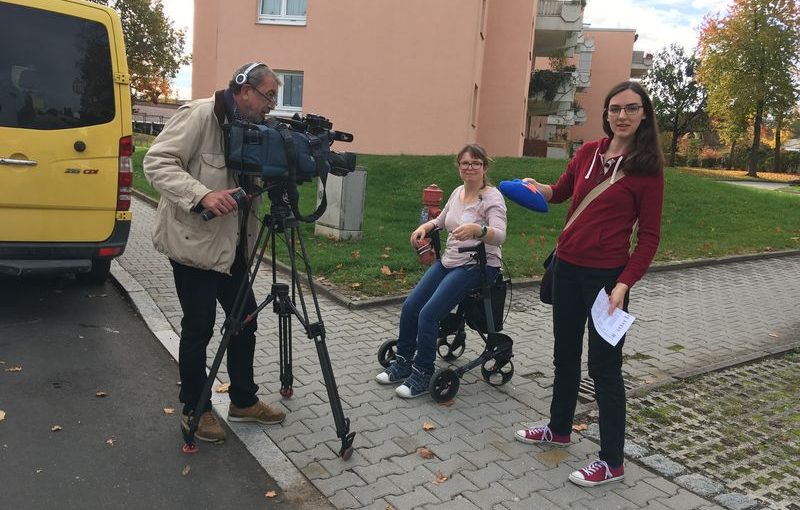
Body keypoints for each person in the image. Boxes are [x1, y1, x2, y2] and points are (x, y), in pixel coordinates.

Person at [514, 81, 665, 486]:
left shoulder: (647, 170)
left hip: (606, 283)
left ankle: (612, 461)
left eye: (632, 109)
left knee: (604, 370)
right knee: (564, 356)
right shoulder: (588, 152)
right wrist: (537, 188)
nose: (622, 115)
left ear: (644, 114)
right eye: (615, 108)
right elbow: (561, 192)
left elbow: (649, 237)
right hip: (566, 270)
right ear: (606, 113)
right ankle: (558, 428)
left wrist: (624, 284)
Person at [144, 62, 287, 444]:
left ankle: (242, 401)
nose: (272, 104)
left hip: (233, 249)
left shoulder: (255, 128)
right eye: (269, 95)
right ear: (244, 90)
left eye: (275, 97)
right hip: (194, 247)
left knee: (245, 322)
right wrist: (201, 194)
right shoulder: (199, 115)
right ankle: (196, 407)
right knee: (199, 328)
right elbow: (156, 162)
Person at [375, 143, 507, 398]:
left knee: (428, 314)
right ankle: (403, 361)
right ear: (459, 167)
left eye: (475, 163)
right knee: (411, 307)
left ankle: (423, 374)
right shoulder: (458, 192)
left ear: (484, 167)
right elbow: (443, 220)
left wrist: (477, 230)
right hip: (449, 261)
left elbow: (500, 235)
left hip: (477, 266)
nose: (470, 168)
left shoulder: (492, 197)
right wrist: (426, 227)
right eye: (465, 163)